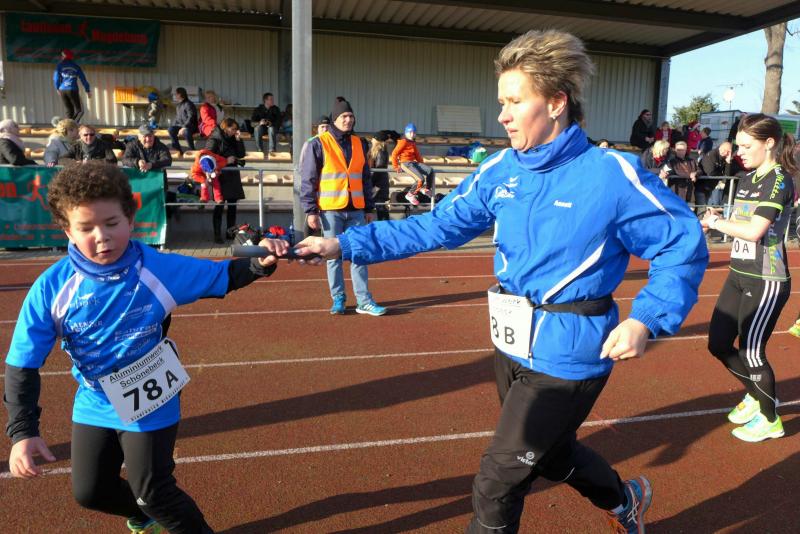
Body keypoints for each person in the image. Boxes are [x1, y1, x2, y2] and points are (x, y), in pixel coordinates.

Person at [296, 29, 708, 533]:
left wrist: (646, 318)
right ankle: (626, 500)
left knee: (496, 485)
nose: (502, 115)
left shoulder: (610, 174)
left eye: (514, 101)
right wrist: (343, 244)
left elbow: (682, 243)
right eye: (501, 102)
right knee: (552, 457)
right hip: (511, 342)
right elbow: (435, 226)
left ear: (556, 103)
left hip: (570, 352)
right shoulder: (499, 169)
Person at [3, 161, 288, 534]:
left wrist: (260, 263)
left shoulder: (156, 269)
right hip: (95, 399)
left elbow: (221, 275)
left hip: (150, 391)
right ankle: (143, 517)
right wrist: (23, 431)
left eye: (112, 223)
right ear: (67, 230)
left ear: (131, 219)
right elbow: (22, 363)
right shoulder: (52, 288)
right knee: (91, 492)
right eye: (86, 228)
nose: (102, 237)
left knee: (154, 493)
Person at [701, 113, 797, 443]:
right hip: (738, 274)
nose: (739, 152)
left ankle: (770, 419)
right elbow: (741, 223)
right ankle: (756, 395)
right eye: (738, 146)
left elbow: (755, 231)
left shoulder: (779, 180)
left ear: (769, 143)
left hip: (766, 278)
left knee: (752, 352)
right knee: (718, 343)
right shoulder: (747, 178)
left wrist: (716, 224)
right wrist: (717, 217)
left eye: (746, 146)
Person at [299, 98, 387, 317]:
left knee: (360, 254)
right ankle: (338, 298)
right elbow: (308, 179)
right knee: (333, 257)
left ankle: (364, 301)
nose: (348, 120)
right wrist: (310, 210)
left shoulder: (360, 143)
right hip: (331, 210)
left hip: (356, 209)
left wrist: (369, 208)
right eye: (343, 116)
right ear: (334, 119)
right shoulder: (319, 143)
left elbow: (365, 178)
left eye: (350, 116)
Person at [206, 118, 246, 244]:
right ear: (225, 128)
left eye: (236, 129)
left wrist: (239, 140)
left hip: (233, 175)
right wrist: (225, 161)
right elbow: (207, 158)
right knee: (219, 206)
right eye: (233, 129)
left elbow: (241, 154)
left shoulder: (234, 138)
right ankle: (217, 235)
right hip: (220, 176)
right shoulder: (214, 139)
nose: (235, 131)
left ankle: (230, 233)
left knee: (232, 206)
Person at [390, 123, 435, 206]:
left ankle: (427, 189)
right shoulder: (403, 142)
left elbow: (417, 155)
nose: (412, 134)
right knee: (420, 179)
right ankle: (410, 195)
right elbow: (394, 154)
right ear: (406, 133)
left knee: (430, 170)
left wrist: (422, 166)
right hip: (405, 163)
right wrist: (396, 166)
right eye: (410, 132)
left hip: (413, 163)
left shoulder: (412, 143)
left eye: (414, 133)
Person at [698, 141, 740, 210]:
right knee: (701, 209)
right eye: (726, 150)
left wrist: (728, 162)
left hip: (713, 186)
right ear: (721, 148)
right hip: (702, 186)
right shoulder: (711, 155)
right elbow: (710, 173)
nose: (727, 153)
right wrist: (722, 175)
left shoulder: (724, 157)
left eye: (729, 152)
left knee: (713, 208)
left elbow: (727, 175)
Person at [53, 49, 91, 122]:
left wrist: (57, 88)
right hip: (72, 89)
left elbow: (56, 78)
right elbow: (83, 79)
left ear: (63, 57)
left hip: (62, 90)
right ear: (71, 57)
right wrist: (87, 90)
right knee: (80, 111)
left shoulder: (59, 66)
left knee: (69, 110)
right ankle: (72, 125)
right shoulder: (76, 66)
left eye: (62, 56)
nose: (61, 57)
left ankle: (68, 126)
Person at [664, 140, 698, 205]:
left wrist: (695, 174)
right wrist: (690, 175)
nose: (680, 152)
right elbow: (676, 171)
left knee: (690, 210)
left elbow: (699, 170)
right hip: (676, 191)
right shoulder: (671, 162)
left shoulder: (691, 161)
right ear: (675, 150)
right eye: (678, 150)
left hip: (690, 192)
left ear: (686, 150)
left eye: (682, 150)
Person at [167, 87, 198, 155]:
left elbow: (191, 117)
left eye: (176, 94)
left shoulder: (189, 104)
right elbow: (177, 118)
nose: (175, 95)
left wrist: (184, 127)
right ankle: (178, 149)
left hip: (191, 126)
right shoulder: (179, 105)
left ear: (180, 94)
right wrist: (174, 126)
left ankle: (192, 149)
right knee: (170, 129)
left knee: (186, 131)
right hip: (181, 126)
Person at [251, 92, 283, 157]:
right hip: (262, 130)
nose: (273, 101)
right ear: (265, 100)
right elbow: (252, 123)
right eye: (271, 99)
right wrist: (260, 123)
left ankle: (272, 150)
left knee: (271, 128)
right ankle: (260, 150)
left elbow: (279, 122)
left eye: (272, 99)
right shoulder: (258, 109)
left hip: (272, 129)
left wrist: (271, 123)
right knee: (257, 128)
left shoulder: (276, 109)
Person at [368, 132, 391, 221]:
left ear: (377, 140)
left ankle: (385, 225)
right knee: (379, 205)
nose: (371, 140)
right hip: (378, 183)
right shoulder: (377, 151)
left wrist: (371, 182)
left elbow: (379, 168)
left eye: (373, 138)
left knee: (380, 206)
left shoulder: (381, 151)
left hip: (378, 184)